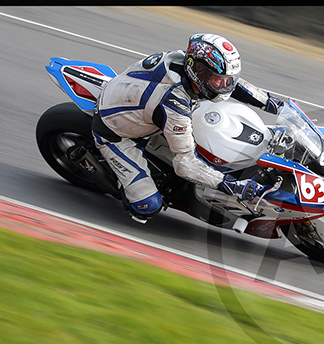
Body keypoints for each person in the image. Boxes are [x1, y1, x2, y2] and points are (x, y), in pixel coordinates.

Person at [92, 33, 284, 223]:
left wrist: (275, 104)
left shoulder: (187, 60)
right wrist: (231, 185)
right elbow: (185, 165)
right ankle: (120, 184)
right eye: (219, 80)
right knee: (147, 206)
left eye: (227, 80)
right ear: (199, 72)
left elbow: (235, 85)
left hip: (141, 108)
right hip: (117, 134)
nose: (224, 86)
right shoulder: (174, 102)